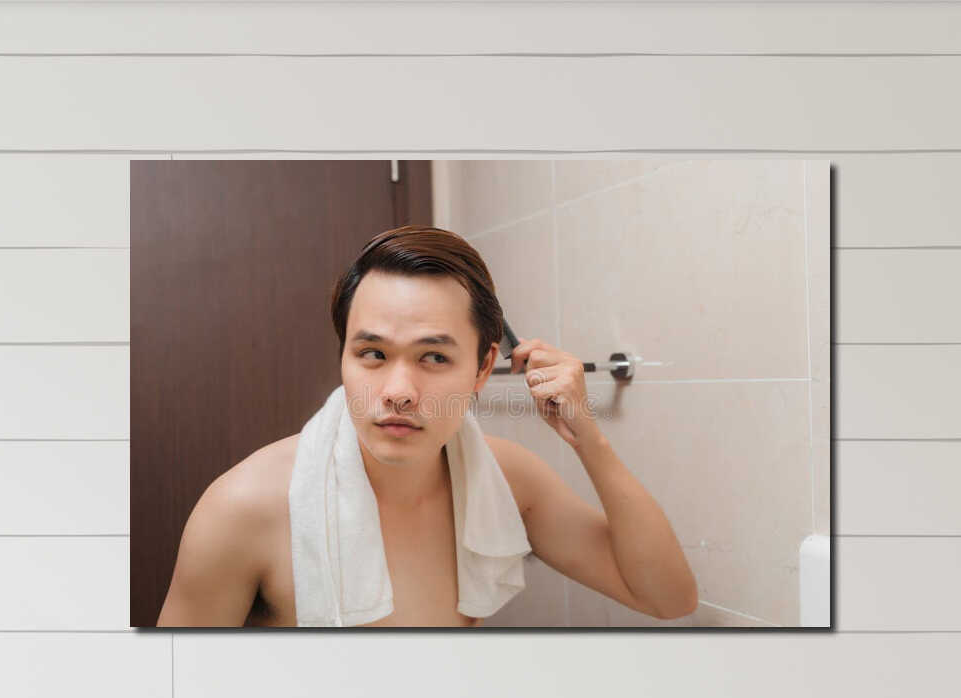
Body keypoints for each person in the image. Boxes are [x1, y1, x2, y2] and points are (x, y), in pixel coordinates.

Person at [156, 225, 697, 627]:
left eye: (434, 359)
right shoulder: (244, 509)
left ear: (484, 367)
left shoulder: (509, 480)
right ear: (343, 354)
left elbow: (667, 599)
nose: (397, 390)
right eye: (371, 353)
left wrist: (590, 441)